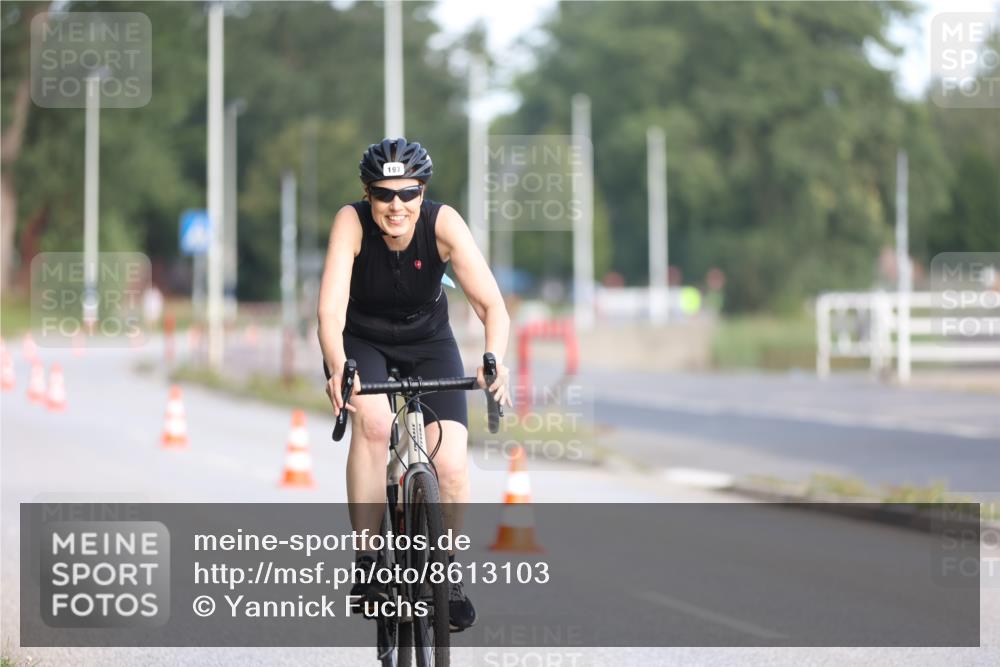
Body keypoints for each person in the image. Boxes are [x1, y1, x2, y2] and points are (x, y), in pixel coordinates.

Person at [317, 138, 513, 632]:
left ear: (422, 193)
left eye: (408, 193)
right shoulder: (351, 222)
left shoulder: (444, 224)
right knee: (374, 426)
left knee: (450, 465)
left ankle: (444, 576)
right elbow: (330, 311)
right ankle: (368, 564)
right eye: (384, 195)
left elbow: (492, 306)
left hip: (429, 341)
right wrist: (338, 366)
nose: (396, 206)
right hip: (363, 341)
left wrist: (493, 359)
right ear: (368, 194)